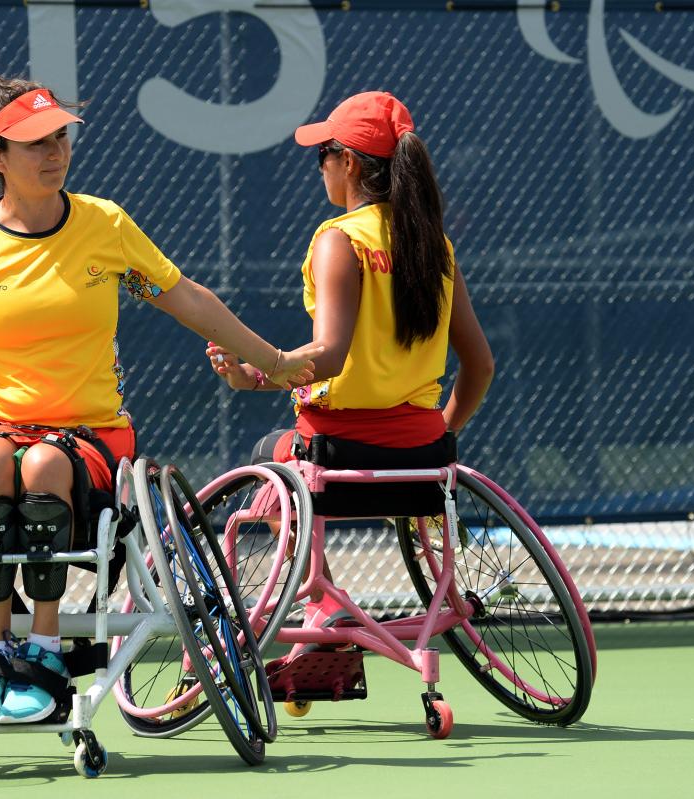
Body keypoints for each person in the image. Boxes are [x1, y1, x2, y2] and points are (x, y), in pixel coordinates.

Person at [0, 74, 321, 725]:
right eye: (34, 145)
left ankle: (45, 654)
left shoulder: (105, 226)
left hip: (90, 435)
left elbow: (185, 296)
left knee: (44, 466)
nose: (54, 154)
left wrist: (275, 361)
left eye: (60, 138)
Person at [207, 91, 495, 627]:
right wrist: (438, 445)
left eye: (323, 156)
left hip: (337, 456)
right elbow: (480, 367)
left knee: (270, 455)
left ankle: (328, 607)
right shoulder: (437, 247)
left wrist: (260, 367)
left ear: (349, 163)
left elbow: (330, 359)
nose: (319, 168)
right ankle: (331, 611)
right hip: (424, 456)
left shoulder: (339, 240)